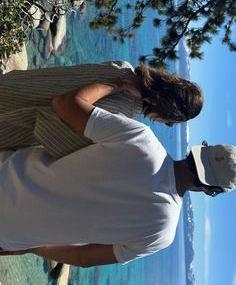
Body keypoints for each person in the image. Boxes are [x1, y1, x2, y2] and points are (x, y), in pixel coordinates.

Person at [0, 80, 234, 266]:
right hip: (8, 234)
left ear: (200, 152)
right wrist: (32, 247)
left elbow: (65, 104)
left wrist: (118, 84)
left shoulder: (142, 141)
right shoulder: (163, 232)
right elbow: (84, 259)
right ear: (210, 189)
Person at [0, 61, 203, 159]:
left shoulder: (122, 67)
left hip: (15, 85)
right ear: (165, 111)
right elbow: (55, 126)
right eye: (167, 120)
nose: (160, 122)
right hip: (12, 120)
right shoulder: (122, 113)